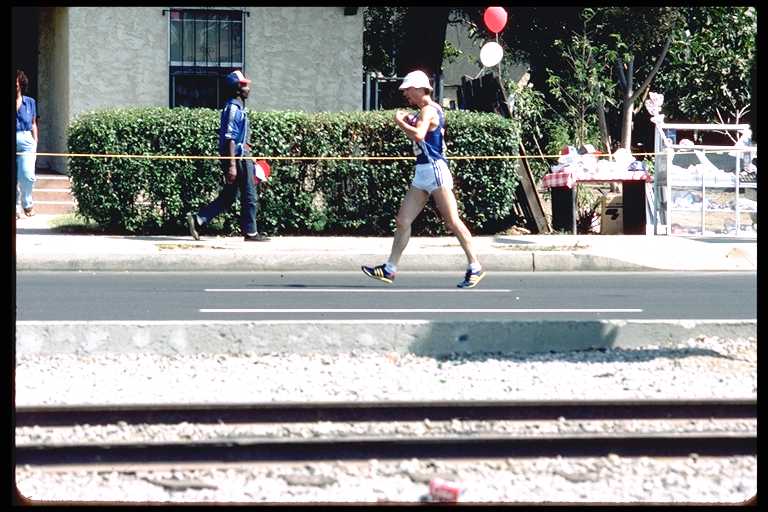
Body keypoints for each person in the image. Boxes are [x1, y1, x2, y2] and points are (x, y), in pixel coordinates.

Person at [361, 70, 486, 288]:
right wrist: (409, 118)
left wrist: (400, 122)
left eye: (408, 89)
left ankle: (475, 266)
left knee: (452, 221)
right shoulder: (423, 112)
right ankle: (390, 269)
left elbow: (418, 135)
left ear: (420, 88)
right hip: (422, 171)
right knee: (402, 221)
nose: (406, 94)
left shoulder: (429, 110)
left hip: (435, 170)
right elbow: (422, 129)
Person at [186, 70, 269, 242]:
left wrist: (249, 153)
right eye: (244, 85)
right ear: (237, 88)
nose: (248, 88)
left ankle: (199, 219)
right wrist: (232, 165)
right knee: (249, 194)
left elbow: (239, 136)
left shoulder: (238, 107)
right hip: (237, 158)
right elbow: (230, 138)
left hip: (241, 155)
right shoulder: (233, 108)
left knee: (229, 197)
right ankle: (251, 232)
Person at [16, 69, 38, 219]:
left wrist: (35, 141)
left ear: (20, 84)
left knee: (27, 175)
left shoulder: (30, 102)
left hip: (26, 141)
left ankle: (27, 203)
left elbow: (33, 123)